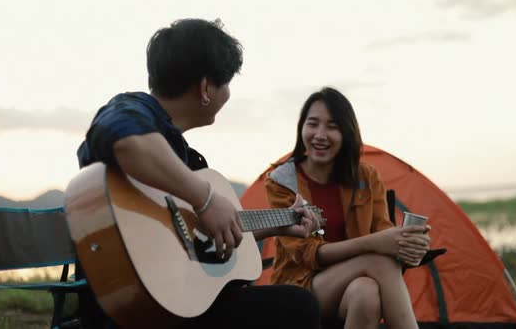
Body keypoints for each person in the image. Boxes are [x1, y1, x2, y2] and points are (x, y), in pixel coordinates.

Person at [75, 18, 321, 329]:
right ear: (205, 87)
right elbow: (123, 137)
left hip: (171, 302)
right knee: (298, 307)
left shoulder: (181, 158)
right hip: (133, 309)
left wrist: (281, 224)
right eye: (227, 82)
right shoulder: (131, 108)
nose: (228, 93)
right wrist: (205, 199)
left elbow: (197, 236)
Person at [265, 87, 432, 329]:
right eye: (312, 124)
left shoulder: (366, 176)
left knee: (366, 294)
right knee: (379, 263)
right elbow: (306, 254)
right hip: (297, 288)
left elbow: (383, 231)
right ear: (302, 128)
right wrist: (375, 244)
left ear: (346, 132)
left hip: (352, 284)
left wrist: (408, 246)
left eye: (332, 126)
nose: (320, 135)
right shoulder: (283, 181)